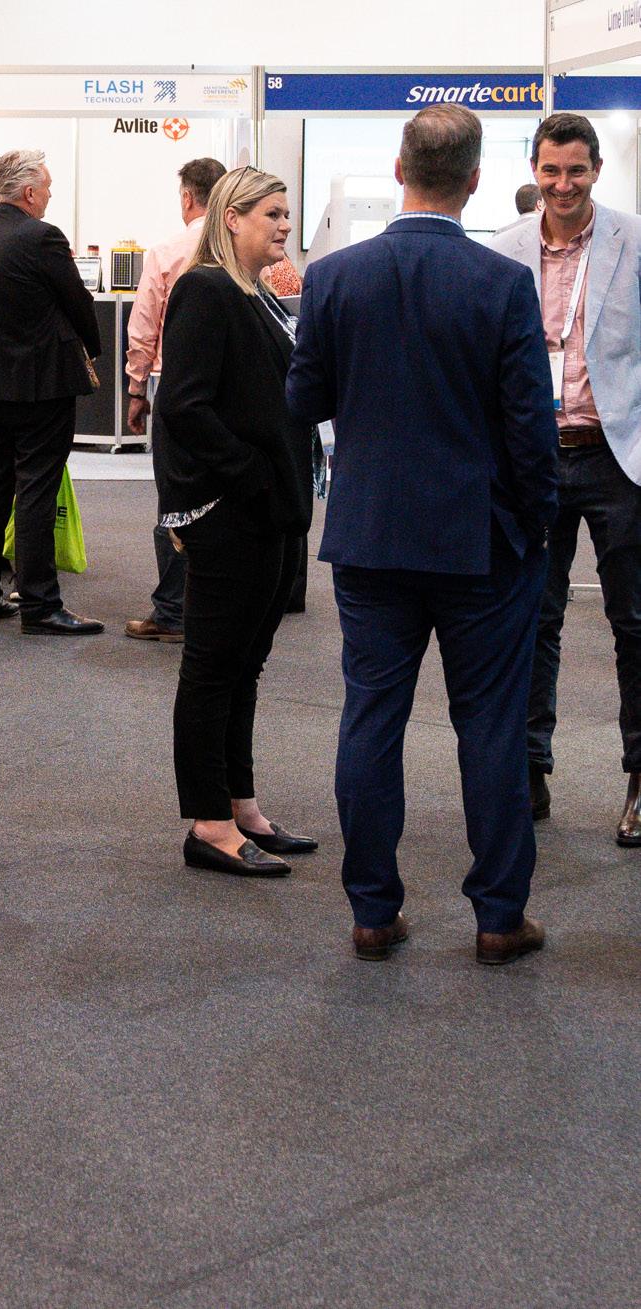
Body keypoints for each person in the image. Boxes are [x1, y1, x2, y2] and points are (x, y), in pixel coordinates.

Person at [289, 104, 558, 966]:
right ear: (474, 180)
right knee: (490, 727)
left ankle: (372, 912)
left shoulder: (332, 278)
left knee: (371, 717)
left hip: (370, 533)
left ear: (398, 168)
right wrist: (536, 523)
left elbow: (304, 400)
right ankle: (498, 917)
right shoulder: (501, 283)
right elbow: (529, 428)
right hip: (480, 541)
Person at [155, 167, 317, 879]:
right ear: (232, 218)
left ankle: (240, 804)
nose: (284, 225)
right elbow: (184, 406)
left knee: (244, 665)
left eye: (286, 214)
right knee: (213, 667)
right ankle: (208, 823)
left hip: (267, 511)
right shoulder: (206, 288)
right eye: (272, 214)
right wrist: (247, 477)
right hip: (232, 513)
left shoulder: (254, 293)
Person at [490, 113, 641, 845]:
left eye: (575, 170)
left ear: (596, 171)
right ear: (533, 170)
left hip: (617, 456)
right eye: (550, 170)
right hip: (533, 457)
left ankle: (640, 779)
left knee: (634, 622)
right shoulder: (504, 249)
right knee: (531, 617)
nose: (562, 184)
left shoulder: (632, 241)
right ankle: (528, 770)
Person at [0, 149, 104, 634]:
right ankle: (40, 606)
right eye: (48, 186)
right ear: (29, 192)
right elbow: (77, 300)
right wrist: (93, 348)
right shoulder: (43, 237)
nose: (51, 194)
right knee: (37, 489)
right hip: (42, 383)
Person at [123, 157, 226, 644]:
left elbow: (144, 327)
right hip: (234, 388)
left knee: (177, 499)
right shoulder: (242, 248)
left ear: (187, 197)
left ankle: (172, 611)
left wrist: (135, 389)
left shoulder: (167, 252)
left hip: (177, 386)